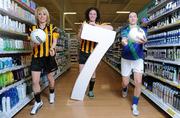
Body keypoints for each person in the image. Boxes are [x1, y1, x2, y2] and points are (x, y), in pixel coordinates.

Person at [28, 7, 59, 115]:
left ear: (47, 16)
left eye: (44, 14)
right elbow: (31, 44)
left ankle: (52, 93)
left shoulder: (52, 27)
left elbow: (54, 41)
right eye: (40, 14)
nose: (42, 16)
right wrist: (34, 42)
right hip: (37, 58)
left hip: (48, 57)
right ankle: (38, 102)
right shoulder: (32, 28)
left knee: (50, 79)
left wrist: (52, 48)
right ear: (37, 16)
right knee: (35, 81)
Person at [78, 7, 113, 98]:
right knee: (82, 73)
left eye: (94, 14)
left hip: (93, 53)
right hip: (83, 52)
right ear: (88, 15)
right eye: (90, 14)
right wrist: (82, 30)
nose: (92, 15)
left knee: (92, 73)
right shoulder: (84, 24)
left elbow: (111, 28)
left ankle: (90, 90)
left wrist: (96, 26)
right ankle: (82, 90)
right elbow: (79, 38)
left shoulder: (100, 25)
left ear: (97, 15)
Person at [120, 12, 147, 116]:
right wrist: (124, 42)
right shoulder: (125, 30)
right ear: (128, 19)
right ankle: (124, 88)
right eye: (130, 16)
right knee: (125, 82)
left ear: (137, 18)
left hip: (138, 59)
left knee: (138, 82)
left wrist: (144, 41)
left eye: (134, 16)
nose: (132, 18)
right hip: (126, 58)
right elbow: (123, 40)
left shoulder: (141, 30)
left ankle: (135, 105)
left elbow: (145, 39)